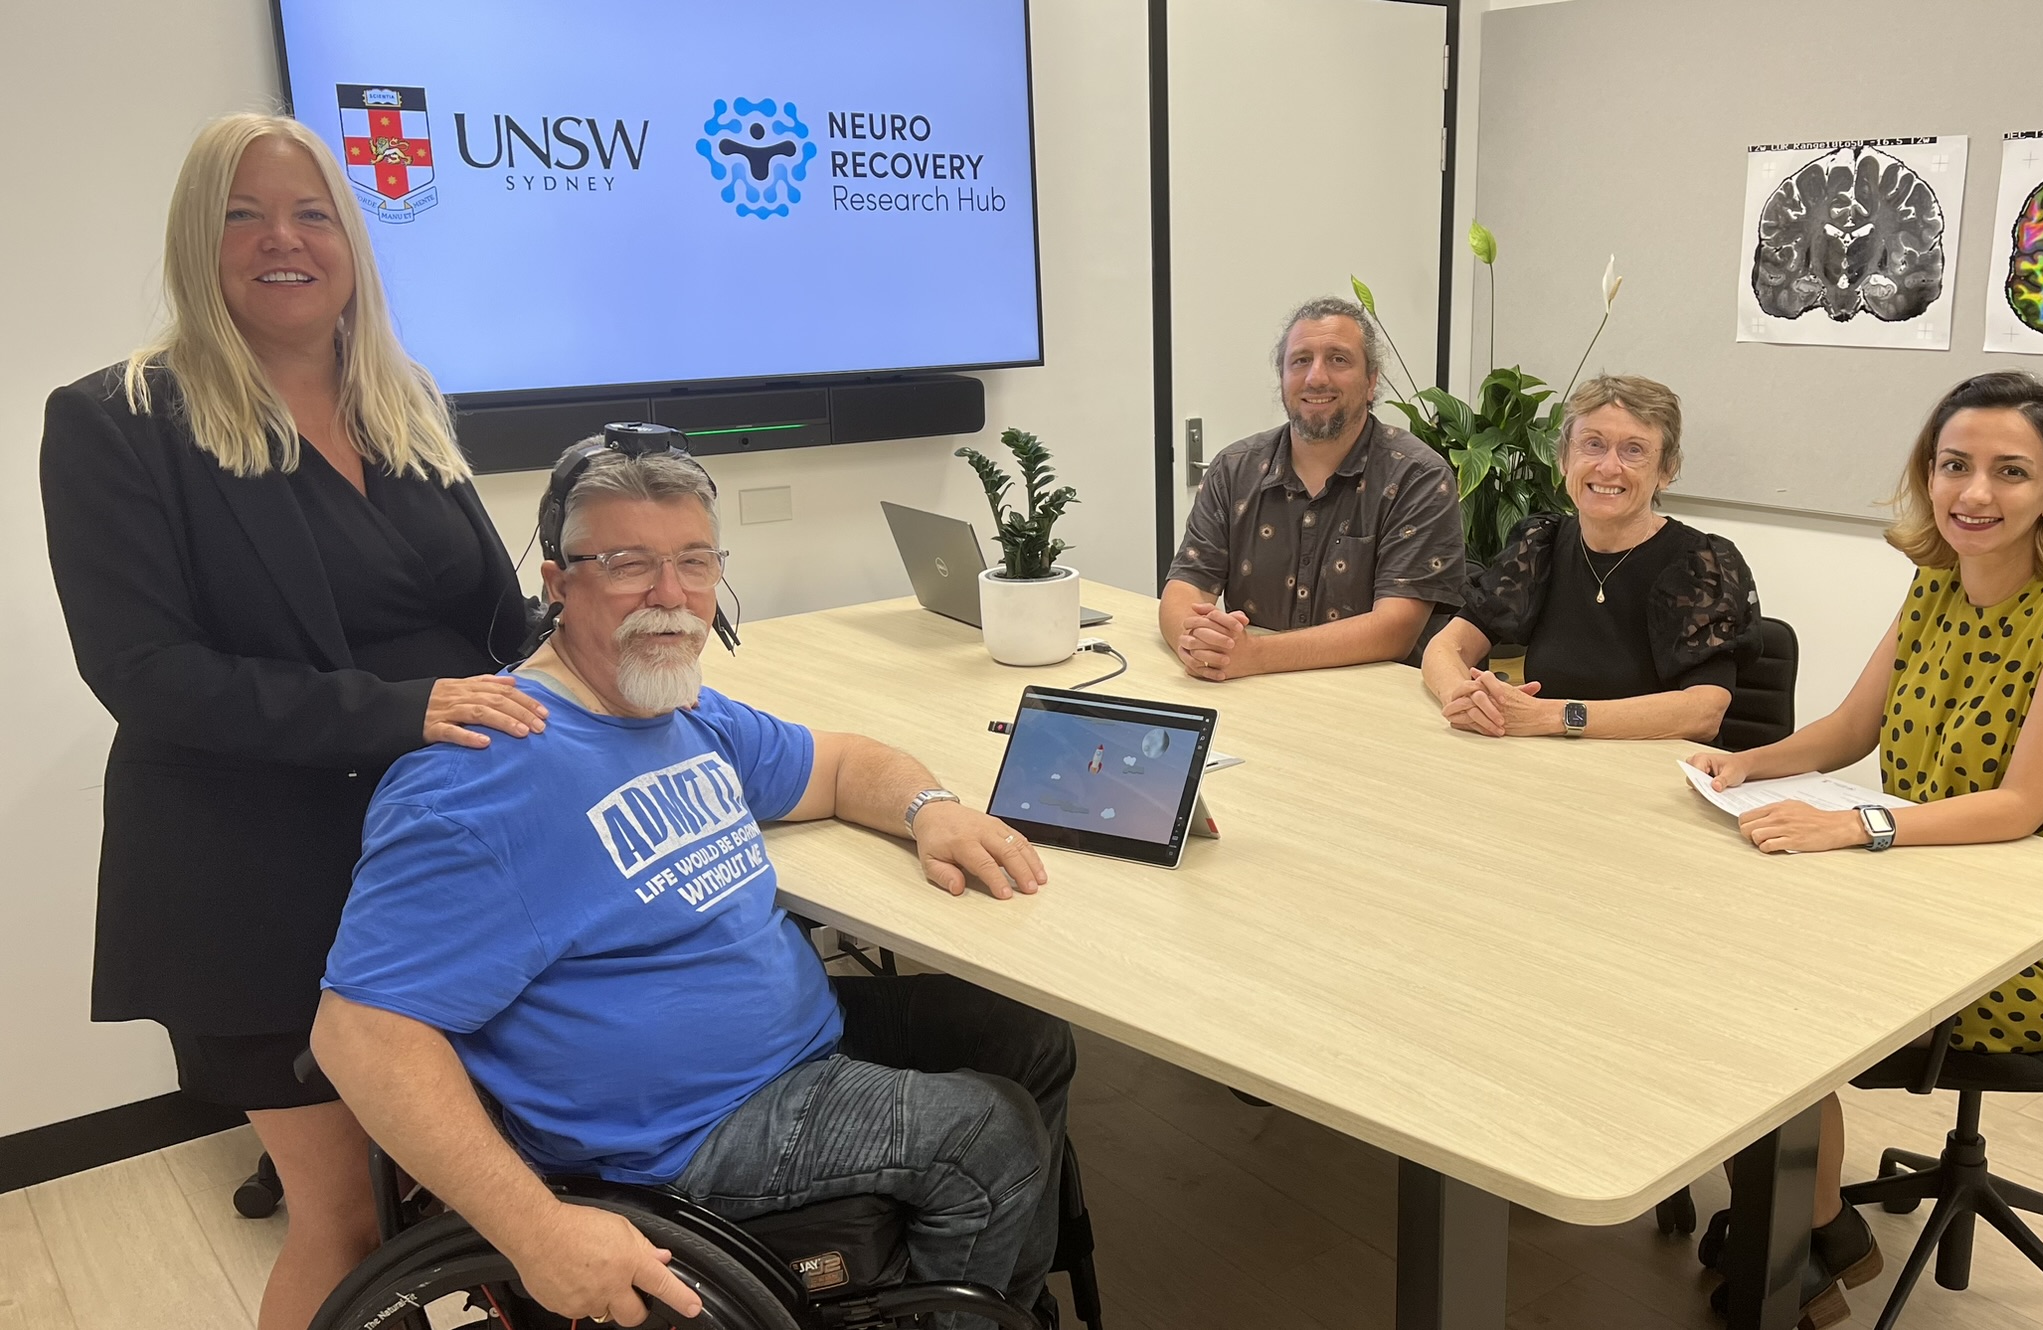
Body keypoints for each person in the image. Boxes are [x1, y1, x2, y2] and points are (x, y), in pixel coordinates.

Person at [312, 437, 1075, 1330]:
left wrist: (932, 808)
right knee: (989, 1137)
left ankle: (999, 1296)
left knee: (1026, 1035)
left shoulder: (675, 706)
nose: (670, 596)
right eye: (628, 564)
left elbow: (840, 763)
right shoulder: (482, 776)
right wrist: (539, 1233)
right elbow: (361, 1031)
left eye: (694, 562)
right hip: (674, 1135)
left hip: (783, 1048)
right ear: (558, 585)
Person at [38, 114, 540, 1330]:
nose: (282, 240)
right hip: (251, 877)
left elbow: (481, 626)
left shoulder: (404, 403)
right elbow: (145, 671)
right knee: (346, 1220)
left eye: (313, 214)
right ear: (193, 241)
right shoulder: (118, 421)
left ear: (352, 243)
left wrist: (599, 612)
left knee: (468, 1198)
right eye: (242, 215)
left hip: (429, 864)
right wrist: (399, 708)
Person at [1687, 371, 2043, 1328]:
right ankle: (1813, 1234)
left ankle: (1797, 1245)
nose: (1975, 494)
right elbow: (1854, 726)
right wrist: (1747, 763)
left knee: (1789, 1001)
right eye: (1954, 466)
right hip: (1925, 886)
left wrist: (1858, 825)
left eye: (2011, 472)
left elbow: (2019, 807)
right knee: (1720, 948)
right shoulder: (1936, 582)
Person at [1421, 374, 1759, 740]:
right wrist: (1463, 697)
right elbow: (1446, 646)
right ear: (1564, 458)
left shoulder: (1699, 562)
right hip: (1554, 766)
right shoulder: (1540, 544)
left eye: (1634, 450)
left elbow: (1703, 711)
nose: (1609, 467)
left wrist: (1552, 717)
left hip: (1654, 774)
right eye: (1593, 444)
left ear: (1666, 471)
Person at [1161, 295, 1465, 680]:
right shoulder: (1233, 469)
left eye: (1338, 359)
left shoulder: (1417, 476)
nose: (1316, 377)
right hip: (1251, 691)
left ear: (1371, 381)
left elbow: (1396, 630)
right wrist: (1197, 642)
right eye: (1301, 360)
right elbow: (1185, 586)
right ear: (1283, 378)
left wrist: (1255, 656)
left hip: (1373, 704)